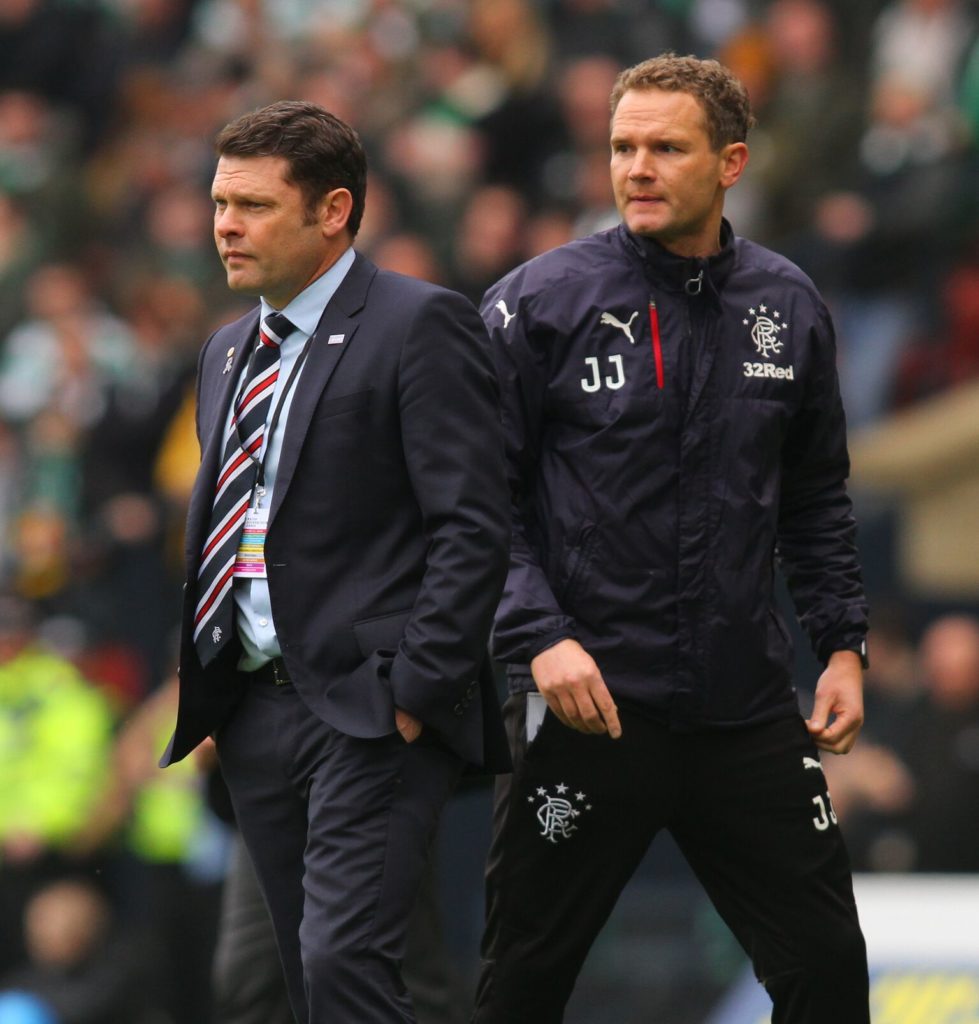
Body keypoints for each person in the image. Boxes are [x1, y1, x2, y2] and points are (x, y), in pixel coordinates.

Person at [472, 53, 871, 1023]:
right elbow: (475, 501)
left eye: (665, 148)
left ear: (730, 162)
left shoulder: (787, 305)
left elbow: (815, 497)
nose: (636, 168)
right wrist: (539, 637)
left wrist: (841, 646)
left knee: (827, 971)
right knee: (520, 984)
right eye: (621, 148)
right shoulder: (537, 303)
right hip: (587, 706)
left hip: (743, 710)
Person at [158, 100, 510, 1024]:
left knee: (342, 962)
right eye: (219, 202)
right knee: (306, 982)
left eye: (253, 205)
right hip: (254, 714)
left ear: (333, 211)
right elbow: (232, 527)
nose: (225, 225)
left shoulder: (419, 322)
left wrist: (414, 690)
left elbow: (473, 525)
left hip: (368, 707)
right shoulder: (225, 350)